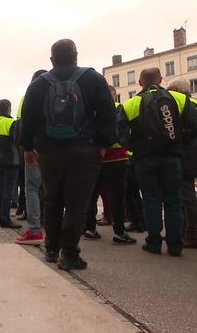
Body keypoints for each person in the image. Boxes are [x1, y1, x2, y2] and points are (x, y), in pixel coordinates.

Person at [20, 39, 117, 271]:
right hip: (84, 149)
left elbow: (28, 118)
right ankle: (70, 254)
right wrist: (103, 145)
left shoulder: (38, 84)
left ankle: (51, 248)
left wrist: (27, 147)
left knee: (52, 199)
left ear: (51, 59)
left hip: (49, 151)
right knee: (77, 203)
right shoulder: (92, 78)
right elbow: (107, 113)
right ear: (76, 55)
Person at [119, 68, 197, 256]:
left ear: (140, 82)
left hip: (145, 159)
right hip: (173, 158)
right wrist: (178, 140)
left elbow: (119, 132)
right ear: (161, 79)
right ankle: (175, 244)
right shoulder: (178, 99)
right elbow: (194, 124)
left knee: (151, 200)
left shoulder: (132, 103)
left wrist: (134, 147)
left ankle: (154, 242)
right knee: (174, 201)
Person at [84, 85, 136, 244]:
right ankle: (119, 232)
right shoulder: (119, 108)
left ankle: (90, 228)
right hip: (118, 157)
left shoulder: (89, 110)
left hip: (95, 157)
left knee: (91, 195)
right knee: (118, 196)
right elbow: (125, 132)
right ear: (113, 95)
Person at [15, 70, 46, 245]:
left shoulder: (30, 93)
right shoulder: (61, 89)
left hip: (36, 147)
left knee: (32, 188)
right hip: (59, 147)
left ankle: (35, 230)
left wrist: (27, 147)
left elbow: (24, 123)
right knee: (55, 189)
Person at [167, 78, 197, 249]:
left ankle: (192, 233)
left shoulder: (179, 104)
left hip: (189, 154)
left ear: (176, 89)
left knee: (187, 194)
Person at [0, 99, 22, 228]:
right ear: (9, 108)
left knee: (1, 189)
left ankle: (2, 215)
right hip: (10, 161)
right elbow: (17, 141)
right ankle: (5, 218)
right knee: (8, 191)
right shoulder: (10, 122)